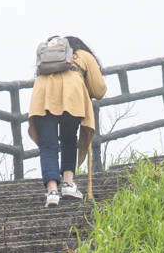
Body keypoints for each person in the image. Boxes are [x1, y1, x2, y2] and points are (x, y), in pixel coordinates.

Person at [27, 36, 107, 206]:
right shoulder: (83, 55)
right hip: (72, 94)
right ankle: (68, 184)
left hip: (43, 94)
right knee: (69, 139)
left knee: (47, 143)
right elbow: (99, 90)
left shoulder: (48, 57)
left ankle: (52, 191)